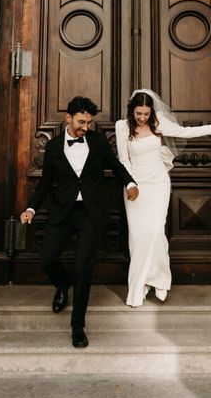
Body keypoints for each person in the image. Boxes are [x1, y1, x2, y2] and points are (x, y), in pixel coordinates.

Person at [20, 96, 139, 348]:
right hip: (62, 212)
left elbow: (116, 167)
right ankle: (63, 284)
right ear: (69, 118)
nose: (86, 127)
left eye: (89, 123)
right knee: (47, 259)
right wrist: (31, 208)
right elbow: (45, 184)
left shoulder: (97, 142)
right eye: (82, 122)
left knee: (83, 268)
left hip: (90, 213)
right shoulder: (53, 147)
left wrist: (130, 183)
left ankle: (78, 327)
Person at [115, 89, 211, 307]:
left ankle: (159, 279)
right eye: (139, 113)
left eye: (146, 114)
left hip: (158, 183)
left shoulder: (157, 123)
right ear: (132, 110)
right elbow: (123, 159)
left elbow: (183, 132)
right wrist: (130, 183)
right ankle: (140, 286)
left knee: (156, 231)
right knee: (138, 237)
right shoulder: (122, 127)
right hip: (135, 186)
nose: (142, 118)